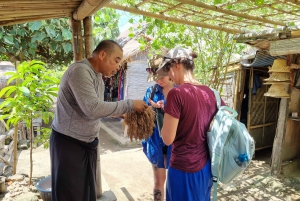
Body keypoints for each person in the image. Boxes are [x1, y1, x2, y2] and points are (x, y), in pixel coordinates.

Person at [50, 39, 148, 201]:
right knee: (70, 195)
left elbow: (97, 108)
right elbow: (93, 108)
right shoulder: (80, 71)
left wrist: (121, 114)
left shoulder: (97, 77)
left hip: (85, 144)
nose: (117, 68)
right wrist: (129, 105)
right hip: (69, 145)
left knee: (84, 193)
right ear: (102, 54)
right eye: (116, 61)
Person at [156, 46, 225, 201]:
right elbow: (225, 119)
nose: (169, 75)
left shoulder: (177, 93)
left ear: (177, 64)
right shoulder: (212, 93)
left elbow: (167, 139)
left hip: (183, 170)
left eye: (169, 69)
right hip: (206, 168)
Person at [142, 54, 175, 201]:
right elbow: (143, 114)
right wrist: (151, 107)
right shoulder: (152, 92)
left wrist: (168, 107)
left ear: (170, 73)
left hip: (176, 147)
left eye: (161, 76)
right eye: (155, 77)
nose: (158, 80)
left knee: (175, 184)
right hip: (156, 143)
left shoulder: (181, 92)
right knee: (158, 182)